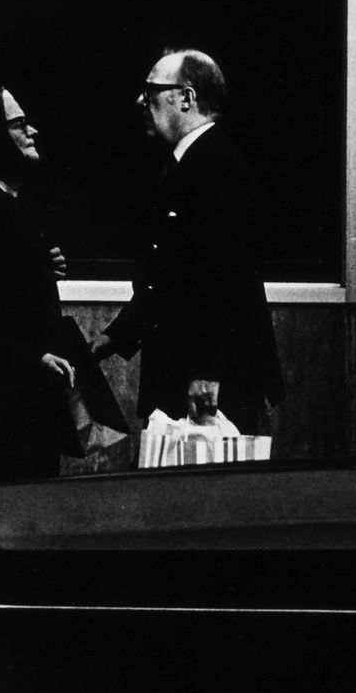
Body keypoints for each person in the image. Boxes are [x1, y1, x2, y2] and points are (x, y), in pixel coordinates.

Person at [90, 48, 283, 431]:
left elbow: (227, 282)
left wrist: (208, 380)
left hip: (207, 387)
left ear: (186, 98)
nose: (141, 101)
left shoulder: (217, 168)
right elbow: (170, 280)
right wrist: (113, 339)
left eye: (151, 91)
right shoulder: (190, 164)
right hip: (189, 377)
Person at [0, 84, 74, 483]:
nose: (32, 131)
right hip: (5, 400)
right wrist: (32, 356)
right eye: (19, 124)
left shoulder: (19, 201)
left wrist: (42, 264)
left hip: (35, 397)